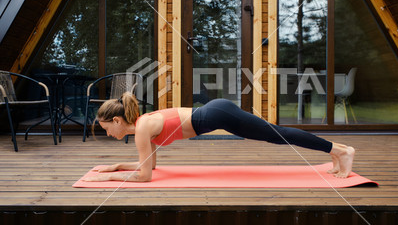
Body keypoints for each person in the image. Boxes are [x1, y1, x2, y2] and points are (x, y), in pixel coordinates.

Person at [83, 92, 355, 182]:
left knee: (277, 135)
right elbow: (150, 166)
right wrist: (118, 166)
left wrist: (107, 177)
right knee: (277, 135)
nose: (107, 132)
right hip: (217, 112)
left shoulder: (142, 129)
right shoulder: (143, 126)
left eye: (106, 127)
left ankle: (340, 151)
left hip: (219, 114)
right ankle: (337, 151)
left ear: (117, 120)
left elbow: (144, 177)